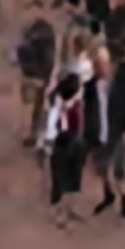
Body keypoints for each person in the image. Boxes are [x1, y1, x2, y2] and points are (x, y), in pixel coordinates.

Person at [86, 46, 125, 224]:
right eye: (99, 65)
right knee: (101, 167)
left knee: (120, 171)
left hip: (118, 133)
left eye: (105, 64)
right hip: (100, 135)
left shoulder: (120, 82)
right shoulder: (91, 86)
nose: (103, 68)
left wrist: (121, 129)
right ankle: (108, 194)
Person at [45, 70, 88, 227]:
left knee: (73, 179)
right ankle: (60, 213)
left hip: (72, 143)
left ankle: (68, 209)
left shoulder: (71, 102)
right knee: (62, 181)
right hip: (63, 144)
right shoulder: (61, 106)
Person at [16, 16, 58, 148]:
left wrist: (42, 81)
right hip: (40, 74)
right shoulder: (26, 50)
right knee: (38, 109)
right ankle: (36, 136)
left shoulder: (43, 52)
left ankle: (45, 140)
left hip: (45, 77)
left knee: (45, 109)